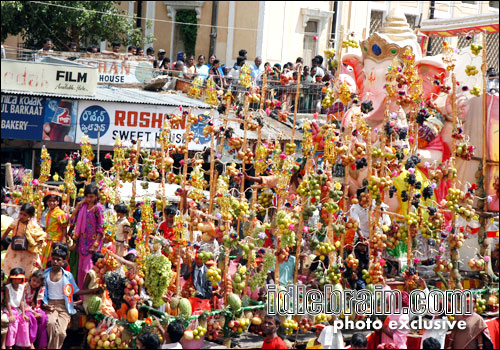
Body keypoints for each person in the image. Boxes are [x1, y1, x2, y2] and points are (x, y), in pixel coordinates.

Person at [42, 248, 80, 349]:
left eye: (58, 260)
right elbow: (40, 292)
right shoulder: (45, 274)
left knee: (61, 332)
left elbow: (75, 291)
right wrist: (44, 304)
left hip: (64, 306)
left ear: (63, 262)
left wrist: (92, 291)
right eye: (53, 259)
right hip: (50, 305)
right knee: (50, 324)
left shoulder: (68, 276)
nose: (55, 261)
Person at [70, 183, 104, 289]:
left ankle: (87, 293)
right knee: (80, 269)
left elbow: (101, 226)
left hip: (93, 242)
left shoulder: (98, 208)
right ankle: (81, 295)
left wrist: (96, 242)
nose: (89, 199)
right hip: (82, 241)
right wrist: (79, 204)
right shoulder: (83, 207)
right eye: (87, 197)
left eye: (92, 197)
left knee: (87, 269)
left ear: (96, 197)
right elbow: (73, 219)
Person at [1, 203, 45, 279]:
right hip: (15, 250)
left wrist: (37, 245)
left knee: (27, 271)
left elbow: (41, 236)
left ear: (30, 216)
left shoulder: (33, 225)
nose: (22, 216)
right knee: (13, 269)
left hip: (27, 252)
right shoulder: (15, 222)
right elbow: (6, 233)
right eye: (21, 213)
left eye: (25, 215)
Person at [40, 192, 68, 268]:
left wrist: (63, 241)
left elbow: (64, 227)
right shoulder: (48, 212)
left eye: (54, 201)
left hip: (56, 241)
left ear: (58, 202)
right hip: (47, 240)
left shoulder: (60, 213)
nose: (51, 203)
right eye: (49, 201)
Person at [4, 268, 30, 349]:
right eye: (14, 279)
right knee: (12, 324)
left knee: (24, 323)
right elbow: (7, 301)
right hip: (10, 309)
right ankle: (9, 345)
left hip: (18, 310)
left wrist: (23, 313)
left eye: (18, 279)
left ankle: (22, 345)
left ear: (21, 279)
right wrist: (11, 315)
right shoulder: (8, 287)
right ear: (11, 278)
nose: (16, 281)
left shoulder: (22, 287)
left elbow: (22, 301)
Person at [22, 270, 48, 349]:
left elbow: (37, 303)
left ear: (41, 283)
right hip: (24, 309)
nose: (35, 283)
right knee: (31, 318)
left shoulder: (41, 288)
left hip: (35, 308)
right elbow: (23, 302)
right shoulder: (25, 286)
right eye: (34, 280)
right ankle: (30, 342)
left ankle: (42, 344)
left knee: (44, 318)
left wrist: (36, 311)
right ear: (30, 279)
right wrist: (33, 312)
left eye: (38, 282)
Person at [1, 270, 9, 349]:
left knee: (4, 320)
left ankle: (3, 344)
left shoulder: (4, 288)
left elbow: (4, 302)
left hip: (2, 310)